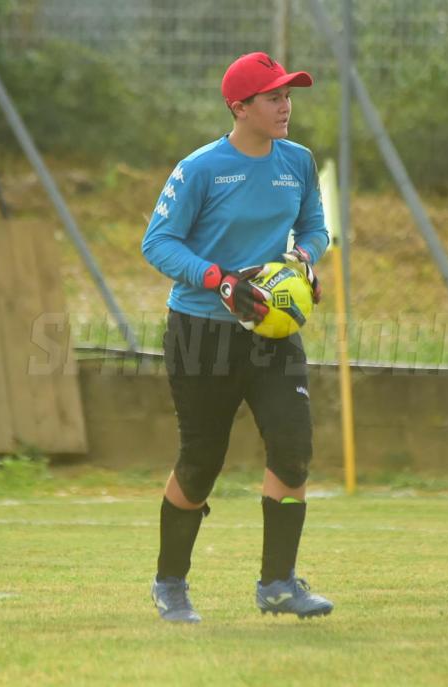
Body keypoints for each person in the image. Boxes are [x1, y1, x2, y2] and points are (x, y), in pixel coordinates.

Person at [141, 51, 333, 623]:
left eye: (288, 95)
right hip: (201, 332)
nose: (286, 106)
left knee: (293, 448)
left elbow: (315, 228)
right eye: (273, 97)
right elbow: (158, 242)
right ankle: (170, 583)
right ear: (239, 108)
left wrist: (304, 260)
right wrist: (218, 280)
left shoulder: (298, 162)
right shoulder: (200, 168)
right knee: (201, 462)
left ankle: (278, 585)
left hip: (274, 333)